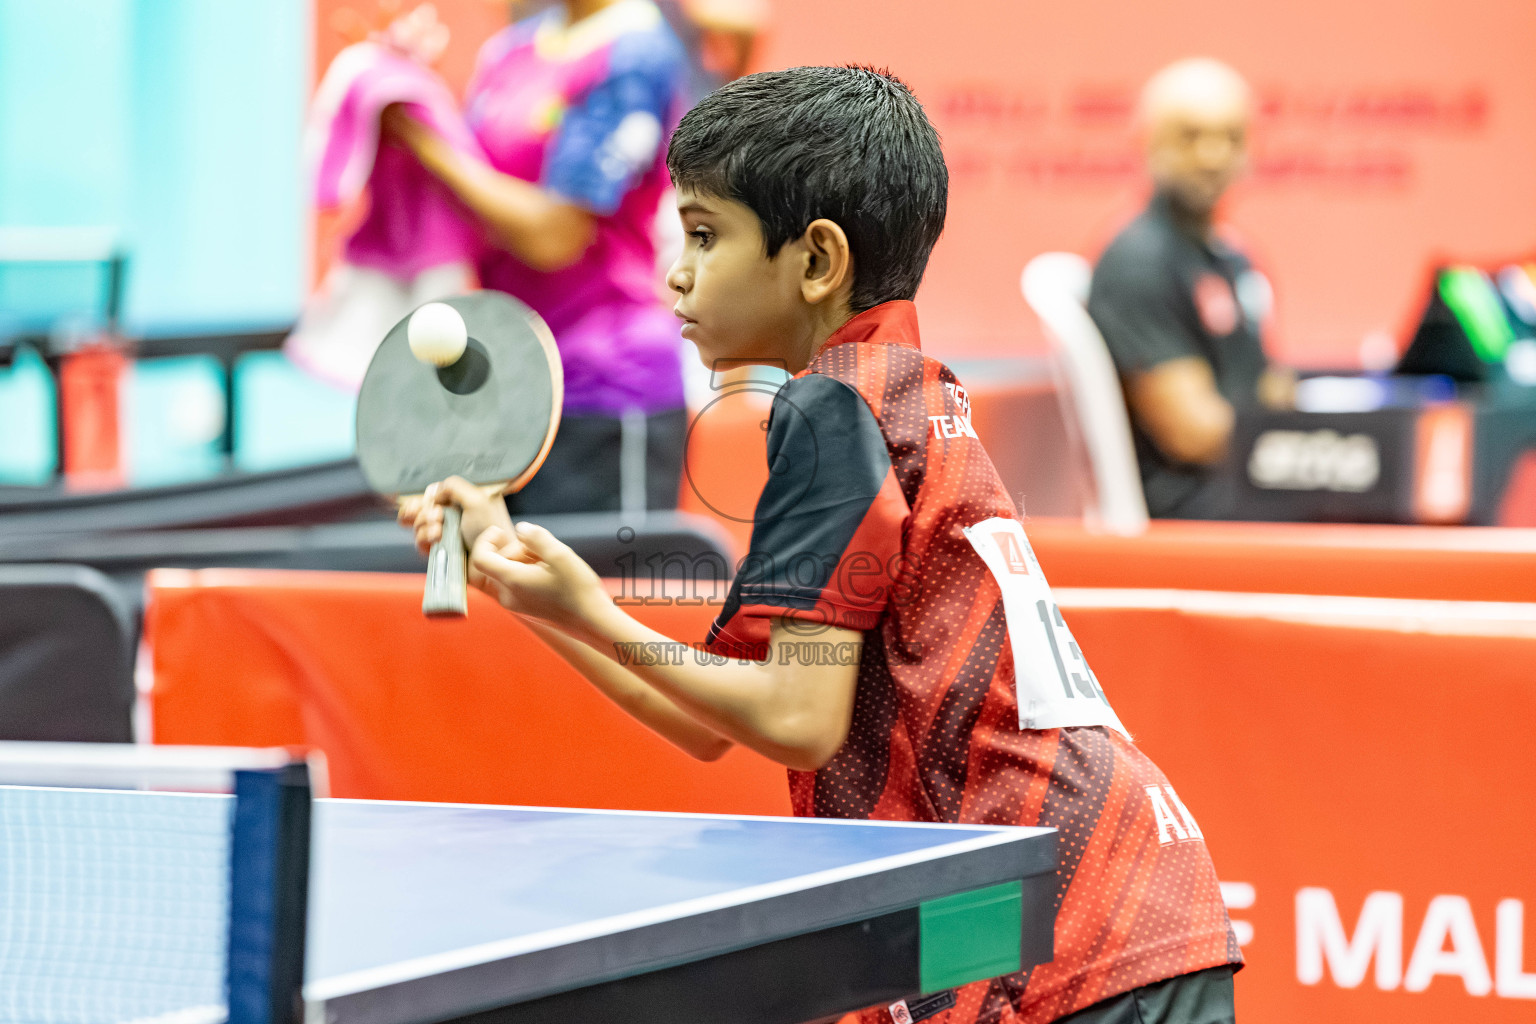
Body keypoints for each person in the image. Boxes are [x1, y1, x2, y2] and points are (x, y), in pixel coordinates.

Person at [405, 67, 1241, 1024]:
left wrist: (586, 607)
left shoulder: (829, 410)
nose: (675, 269)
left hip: (1064, 925)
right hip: (1124, 904)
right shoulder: (905, 388)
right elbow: (711, 721)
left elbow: (798, 717)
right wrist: (539, 597)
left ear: (815, 262)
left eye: (706, 234)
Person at [382, 0, 691, 514]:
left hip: (606, 388)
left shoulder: (635, 52)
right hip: (511, 382)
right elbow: (475, 196)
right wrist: (406, 88)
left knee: (598, 593)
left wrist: (421, 138)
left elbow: (554, 236)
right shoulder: (509, 50)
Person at [1087, 58, 1294, 519]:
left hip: (1246, 485)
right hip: (1193, 506)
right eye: (1190, 136)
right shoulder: (1138, 263)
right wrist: (1304, 447)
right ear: (1146, 141)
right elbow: (1193, 433)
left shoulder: (1232, 258)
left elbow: (1270, 386)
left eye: (1231, 137)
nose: (1213, 155)